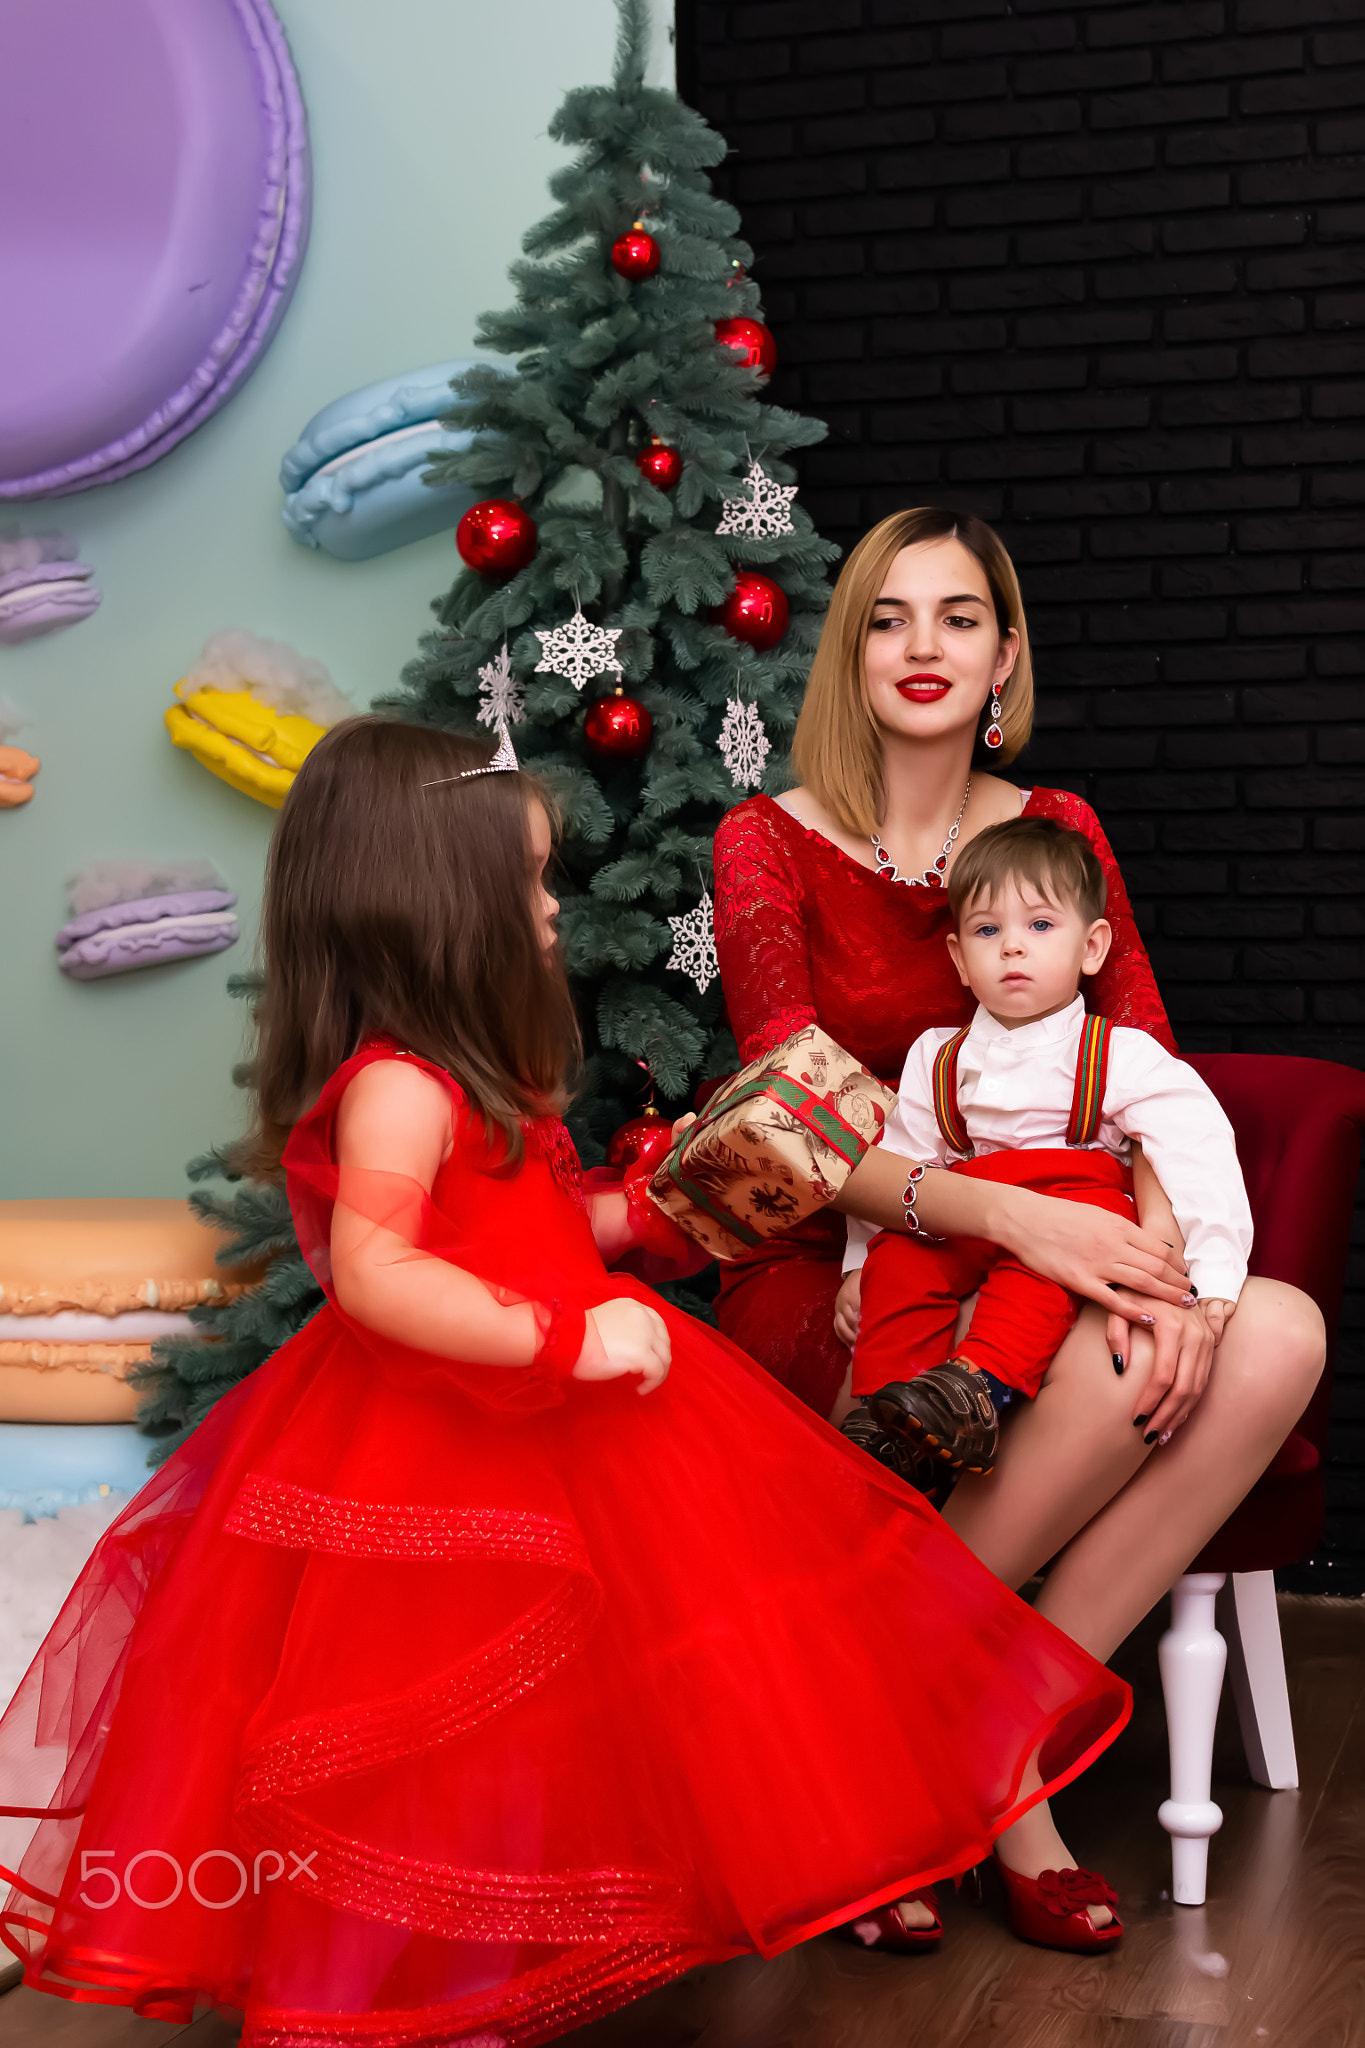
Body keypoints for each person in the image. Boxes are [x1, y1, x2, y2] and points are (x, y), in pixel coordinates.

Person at [0, 717, 1137, 2045]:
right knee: (432, 1721)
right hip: (438, 1433)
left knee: (555, 1716)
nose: (549, 908)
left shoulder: (490, 1085)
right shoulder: (398, 1091)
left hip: (565, 1415)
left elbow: (537, 1227)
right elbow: (377, 1272)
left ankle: (503, 1947)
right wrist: (563, 1339)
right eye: (525, 884)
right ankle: (414, 1975)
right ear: (431, 905)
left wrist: (657, 1214)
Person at [712, 504, 1324, 1936]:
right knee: (1105, 1353)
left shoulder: (1059, 834)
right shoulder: (763, 843)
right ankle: (1004, 1785)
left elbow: (1148, 1059)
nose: (922, 647)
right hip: (855, 1258)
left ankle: (956, 1728)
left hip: (1068, 1223)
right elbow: (789, 1126)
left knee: (1275, 1333)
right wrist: (1005, 1219)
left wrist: (1170, 1268)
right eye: (886, 617)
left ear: (1004, 658)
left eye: (959, 617)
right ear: (848, 653)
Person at [842, 814, 1253, 1484]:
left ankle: (975, 1392)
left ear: (1091, 947)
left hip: (1075, 1207)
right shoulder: (934, 1058)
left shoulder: (1116, 1053)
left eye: (1038, 926)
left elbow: (1195, 1148)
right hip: (971, 1213)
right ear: (958, 961)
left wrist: (1208, 1278)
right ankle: (889, 1414)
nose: (1011, 948)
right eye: (986, 930)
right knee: (901, 1256)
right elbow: (900, 1168)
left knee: (1041, 1279)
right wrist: (856, 1264)